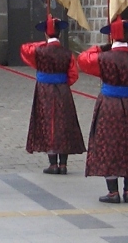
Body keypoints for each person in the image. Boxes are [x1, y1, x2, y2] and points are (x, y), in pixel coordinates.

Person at [79, 19, 128, 203]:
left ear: (111, 38)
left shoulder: (103, 58)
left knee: (108, 145)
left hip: (108, 105)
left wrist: (99, 48)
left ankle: (113, 192)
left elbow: (83, 59)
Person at [21, 16, 86, 175]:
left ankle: (53, 164)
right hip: (62, 90)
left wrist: (44, 44)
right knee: (63, 124)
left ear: (45, 34)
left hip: (44, 90)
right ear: (60, 33)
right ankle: (63, 164)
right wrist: (62, 83)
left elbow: (25, 49)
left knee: (48, 123)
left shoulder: (39, 51)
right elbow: (73, 75)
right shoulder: (67, 53)